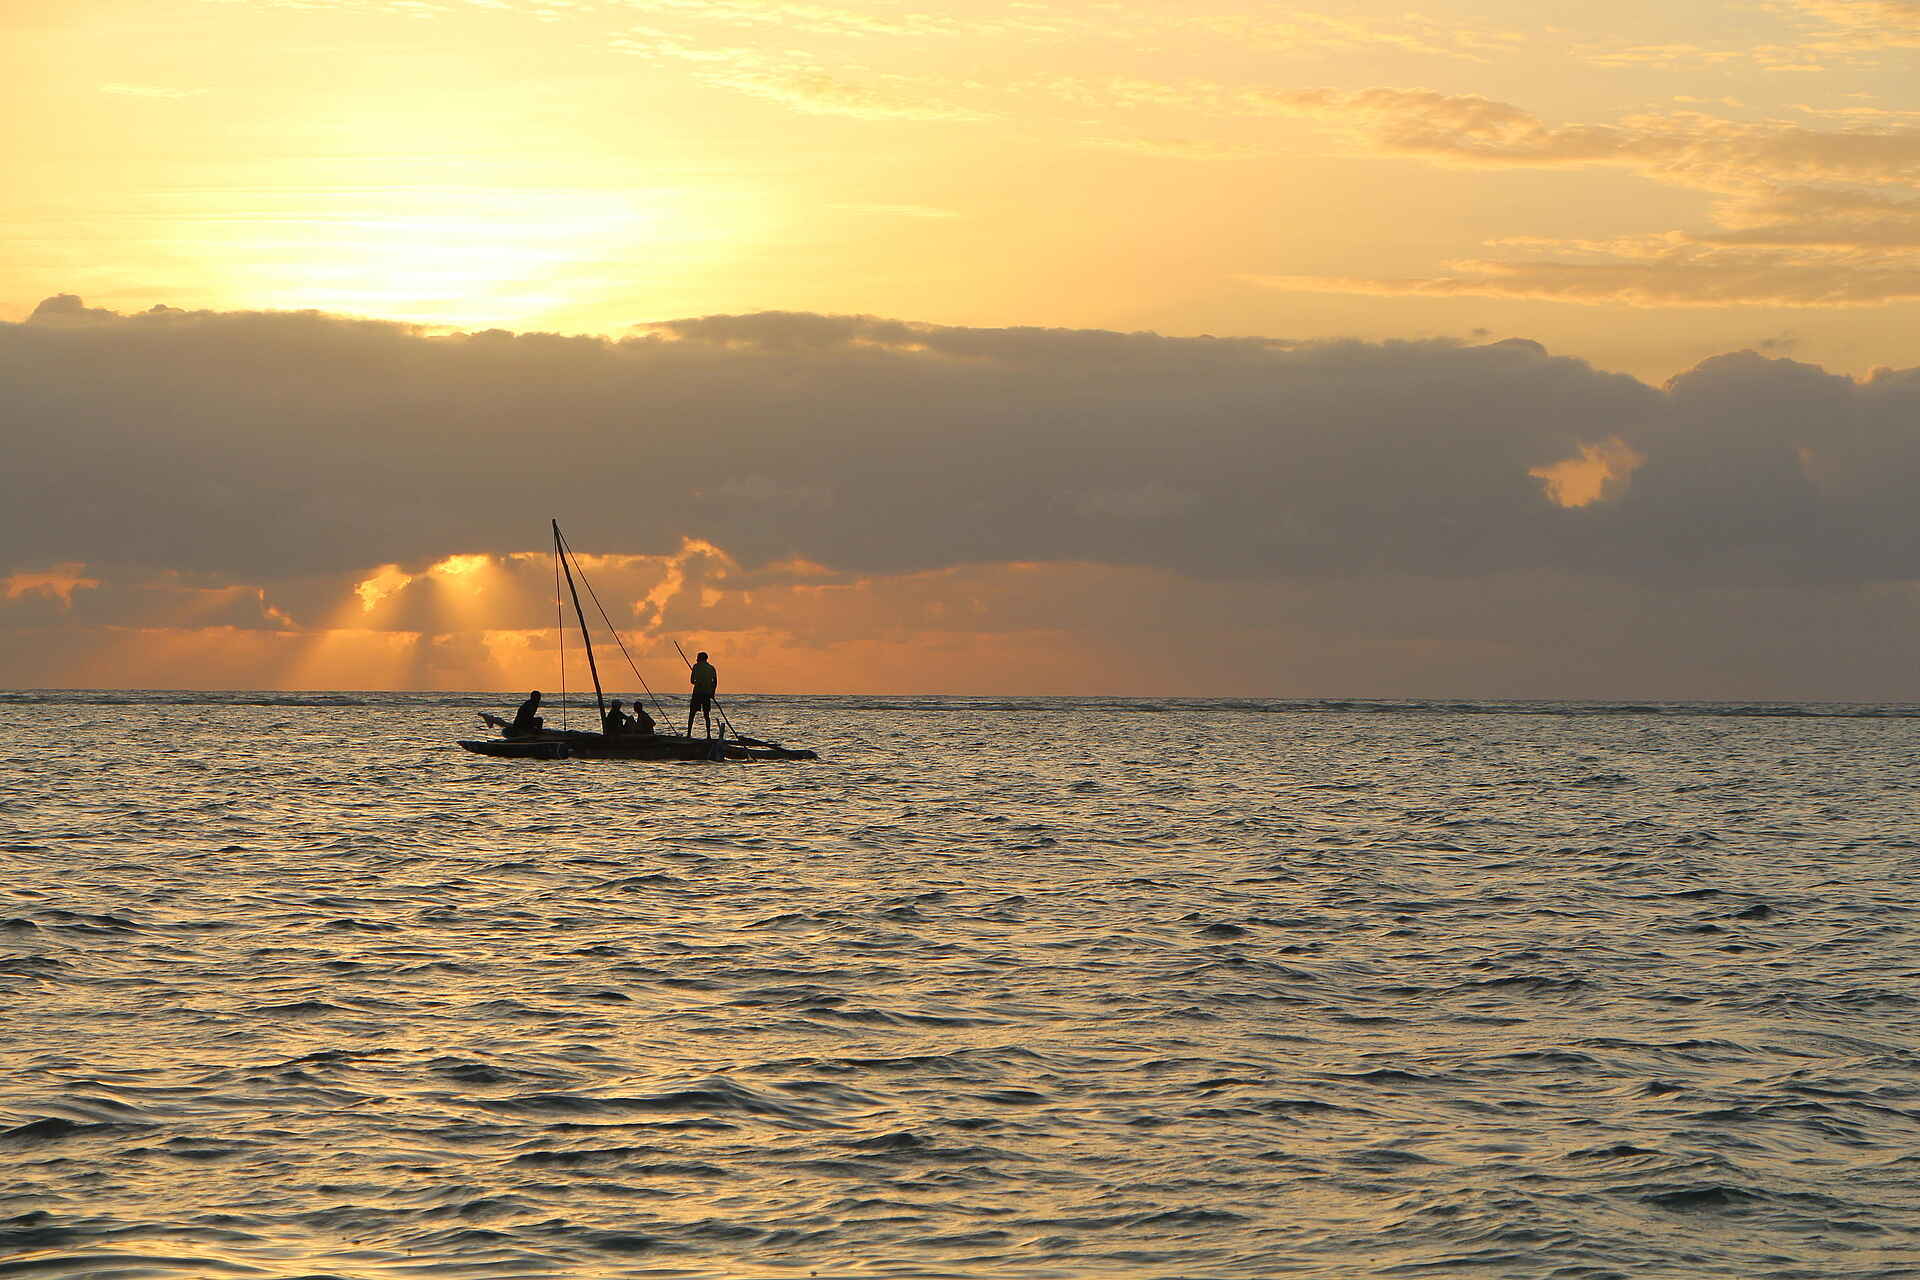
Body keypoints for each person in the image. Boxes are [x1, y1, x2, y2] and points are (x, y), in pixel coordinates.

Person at [687, 651, 718, 739]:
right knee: (706, 715)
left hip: (697, 693)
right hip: (707, 694)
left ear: (700, 658)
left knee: (692, 714)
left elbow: (692, 681)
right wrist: (712, 693)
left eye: (697, 658)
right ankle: (708, 735)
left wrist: (698, 682)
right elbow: (715, 682)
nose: (696, 659)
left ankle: (689, 734)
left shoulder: (696, 667)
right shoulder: (711, 668)